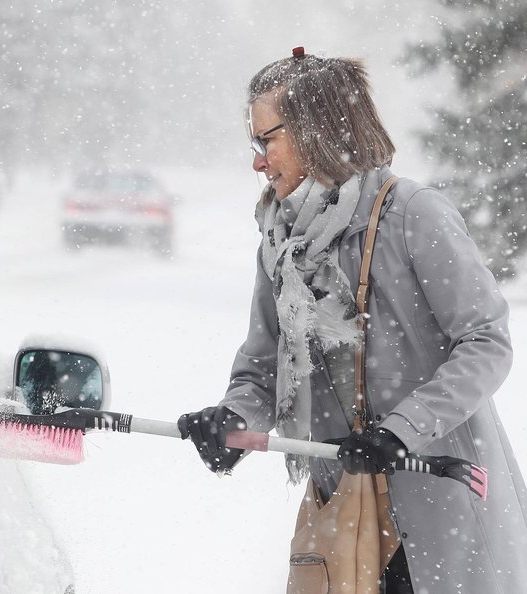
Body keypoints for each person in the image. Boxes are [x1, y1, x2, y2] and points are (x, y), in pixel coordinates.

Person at [178, 48, 527, 592]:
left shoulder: (413, 215)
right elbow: (263, 366)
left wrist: (400, 431)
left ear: (315, 129)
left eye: (265, 140)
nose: (257, 162)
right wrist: (231, 420)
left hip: (441, 507)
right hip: (346, 520)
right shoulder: (282, 243)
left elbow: (486, 342)